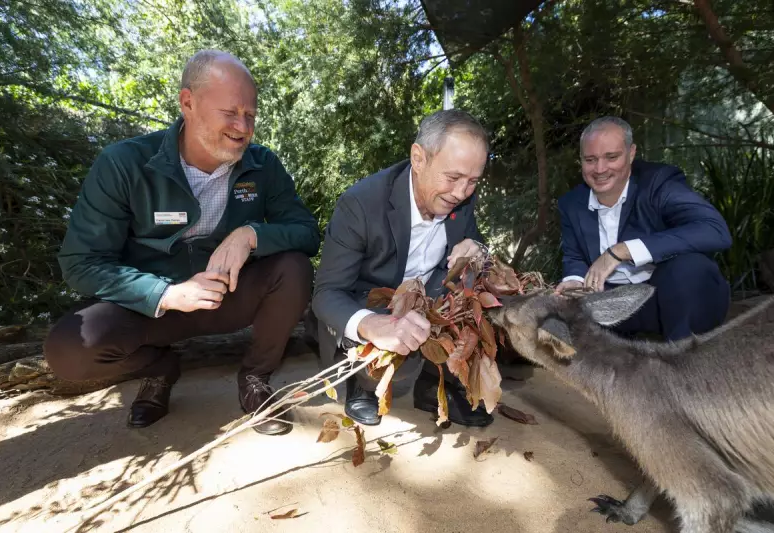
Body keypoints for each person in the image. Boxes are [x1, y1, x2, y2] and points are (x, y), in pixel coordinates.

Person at [43, 50, 320, 435]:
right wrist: (166, 294)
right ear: (187, 102)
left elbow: (306, 231)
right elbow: (81, 263)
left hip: (229, 297)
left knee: (294, 268)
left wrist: (252, 234)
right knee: (69, 349)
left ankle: (256, 377)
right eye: (230, 112)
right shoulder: (123, 164)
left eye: (251, 115)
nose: (243, 127)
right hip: (150, 310)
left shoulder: (262, 165)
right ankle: (160, 369)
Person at [311, 109, 494, 427]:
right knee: (396, 340)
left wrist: (477, 251)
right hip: (372, 302)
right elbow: (326, 293)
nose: (462, 193)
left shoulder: (460, 198)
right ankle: (363, 383)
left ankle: (433, 388)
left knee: (478, 291)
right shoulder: (361, 204)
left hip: (428, 299)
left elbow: (475, 247)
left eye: (472, 182)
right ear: (419, 158)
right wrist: (370, 326)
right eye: (452, 178)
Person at [555, 116, 732, 341]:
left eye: (611, 157)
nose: (600, 169)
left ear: (631, 153)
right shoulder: (571, 203)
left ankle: (683, 363)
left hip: (669, 298)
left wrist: (620, 251)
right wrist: (574, 280)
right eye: (590, 159)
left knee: (690, 267)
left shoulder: (659, 183)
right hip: (611, 307)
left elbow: (714, 230)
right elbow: (574, 256)